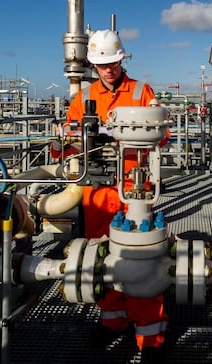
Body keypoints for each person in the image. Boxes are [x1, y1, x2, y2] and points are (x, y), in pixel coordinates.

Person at [54, 29, 168, 358]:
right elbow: (71, 136)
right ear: (93, 65)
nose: (109, 69)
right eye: (103, 64)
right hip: (97, 190)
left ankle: (150, 337)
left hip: (135, 185)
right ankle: (113, 321)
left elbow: (162, 133)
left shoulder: (140, 91)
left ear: (122, 60)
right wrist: (71, 142)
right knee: (100, 257)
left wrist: (127, 138)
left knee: (143, 256)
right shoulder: (84, 96)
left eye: (114, 62)